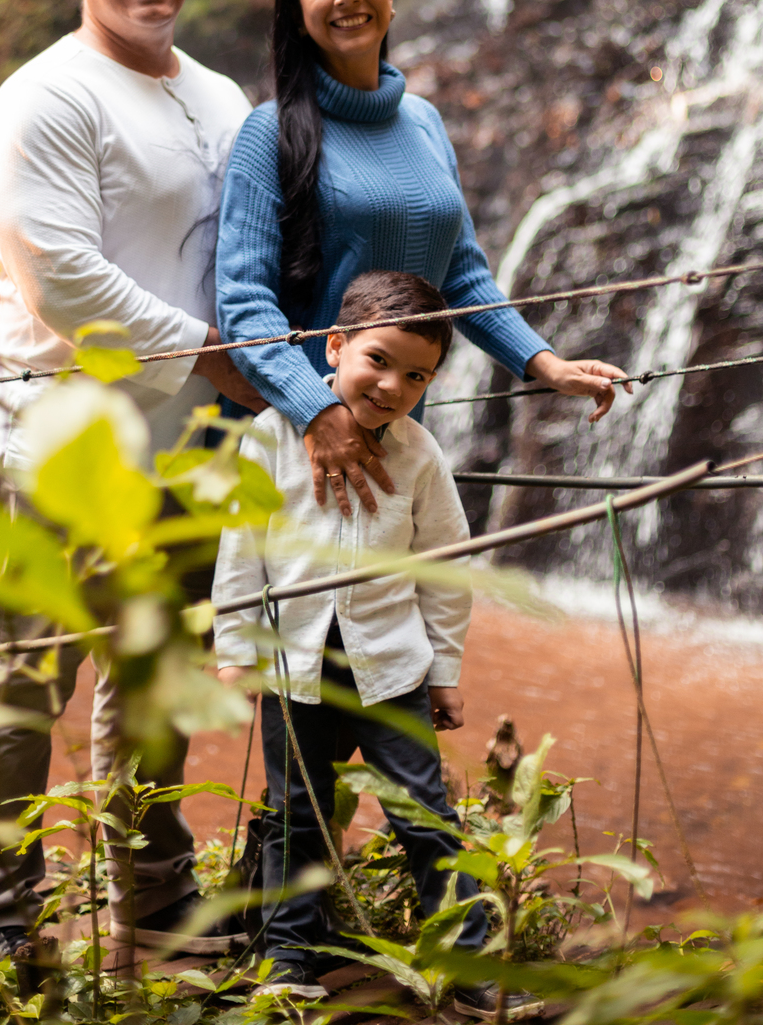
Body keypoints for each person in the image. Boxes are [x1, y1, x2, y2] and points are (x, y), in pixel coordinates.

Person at [0, 0, 264, 971]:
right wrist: (213, 352)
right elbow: (60, 280)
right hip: (61, 433)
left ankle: (156, 897)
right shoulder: (45, 96)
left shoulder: (221, 95)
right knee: (22, 677)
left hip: (193, 439)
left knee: (158, 673)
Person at [215, 0, 630, 513]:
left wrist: (547, 366)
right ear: (297, 13)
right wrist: (318, 411)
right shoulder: (269, 132)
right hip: (297, 435)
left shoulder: (425, 122)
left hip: (395, 427)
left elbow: (461, 275)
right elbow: (243, 303)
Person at [212, 270, 491, 1003]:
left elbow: (445, 567)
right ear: (334, 346)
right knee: (296, 815)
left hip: (392, 667)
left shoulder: (420, 455)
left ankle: (465, 963)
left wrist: (445, 670)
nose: (392, 386)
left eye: (416, 376)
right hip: (294, 668)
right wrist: (236, 652)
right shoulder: (270, 438)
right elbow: (241, 553)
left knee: (425, 815)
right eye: (378, 360)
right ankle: (289, 960)